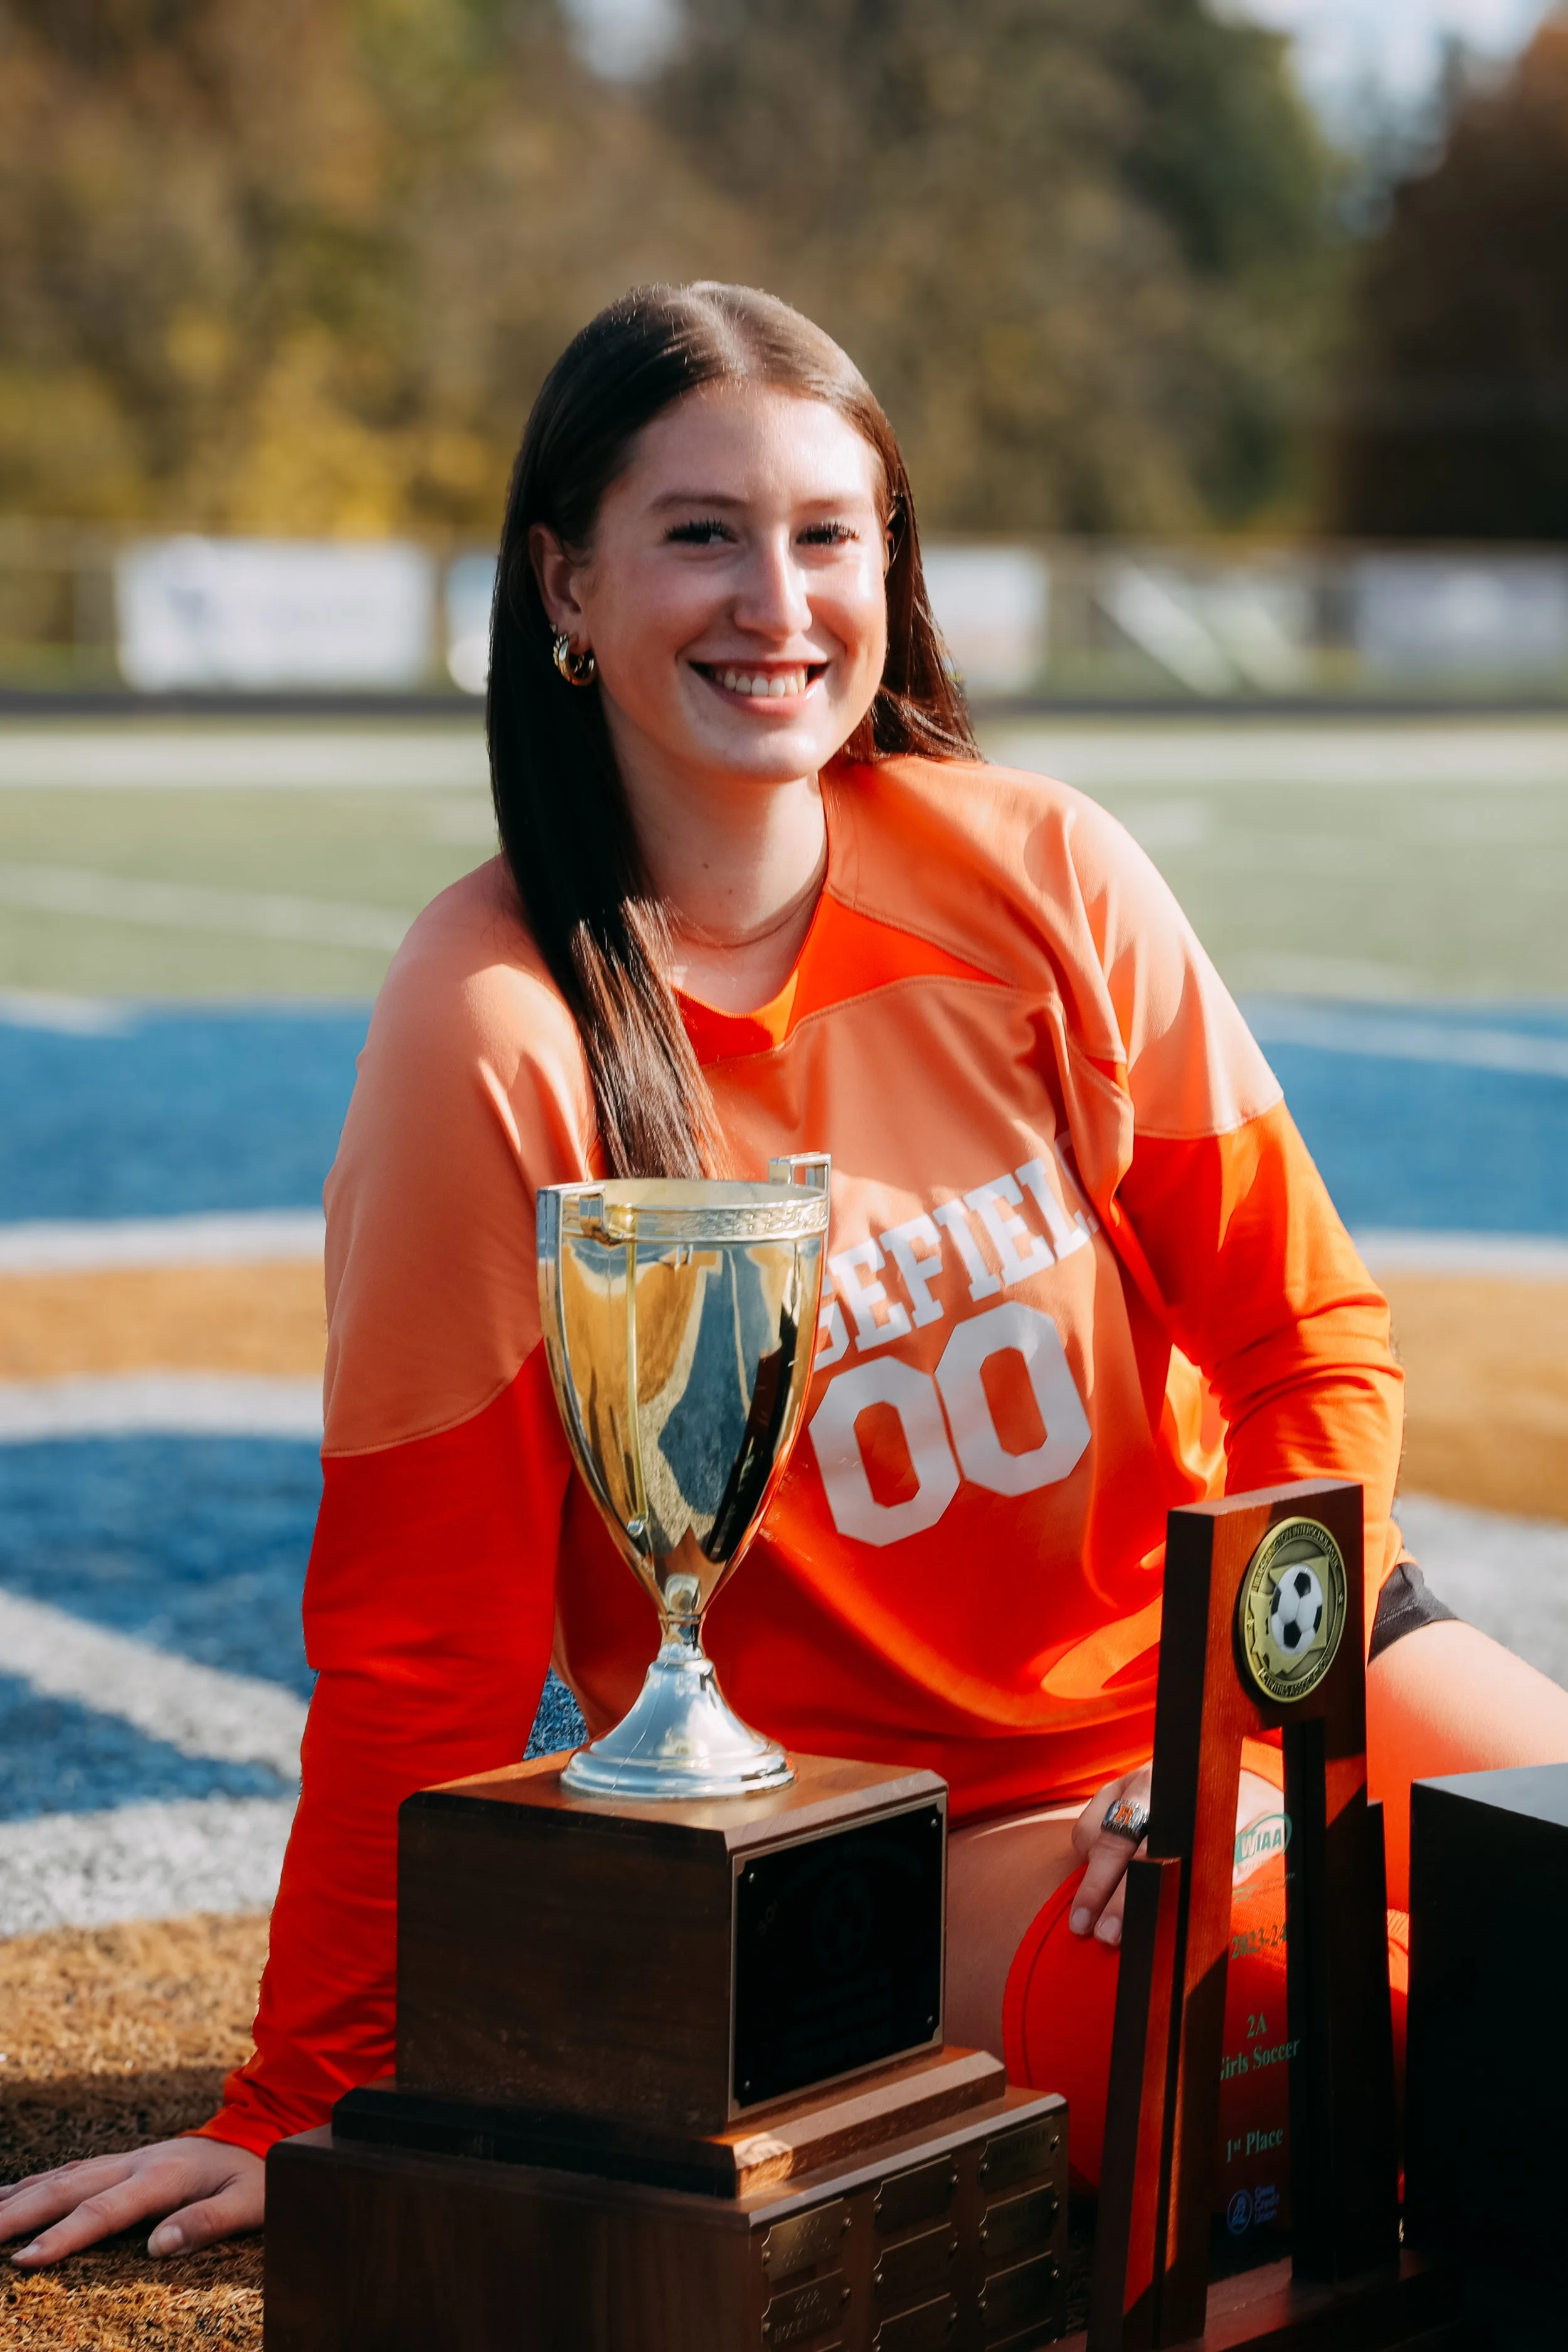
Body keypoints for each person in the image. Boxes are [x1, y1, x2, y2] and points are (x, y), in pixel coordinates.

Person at [6, 282, 1567, 2268]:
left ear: (888, 571)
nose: (777, 597)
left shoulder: (1043, 872)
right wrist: (305, 2096)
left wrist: (1247, 1731)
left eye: (828, 534)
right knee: (1340, 2045)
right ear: (564, 586)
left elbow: (1302, 1336)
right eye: (699, 535)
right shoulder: (493, 1026)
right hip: (921, 1830)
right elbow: (423, 1632)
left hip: (1230, 1663)